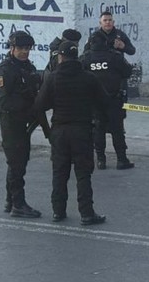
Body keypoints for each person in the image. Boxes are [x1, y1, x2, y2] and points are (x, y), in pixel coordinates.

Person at [32, 39, 108, 225]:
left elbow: (39, 106)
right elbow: (104, 103)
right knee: (83, 174)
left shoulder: (53, 78)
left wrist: (48, 130)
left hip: (60, 130)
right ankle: (87, 213)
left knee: (59, 172)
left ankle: (58, 211)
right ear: (76, 56)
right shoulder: (89, 78)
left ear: (61, 57)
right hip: (82, 131)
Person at [0, 31, 45, 218]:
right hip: (11, 122)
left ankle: (10, 200)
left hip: (24, 121)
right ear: (12, 48)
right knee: (17, 163)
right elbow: (4, 102)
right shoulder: (5, 70)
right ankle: (18, 203)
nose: (24, 52)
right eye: (21, 49)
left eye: (27, 49)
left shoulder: (27, 67)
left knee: (20, 161)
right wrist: (27, 107)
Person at [86, 31, 134, 170]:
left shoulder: (86, 58)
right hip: (114, 99)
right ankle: (121, 159)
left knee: (98, 129)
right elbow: (127, 72)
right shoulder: (115, 57)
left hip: (94, 101)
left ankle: (101, 160)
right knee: (117, 130)